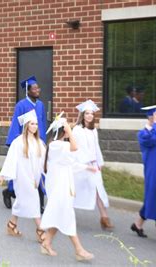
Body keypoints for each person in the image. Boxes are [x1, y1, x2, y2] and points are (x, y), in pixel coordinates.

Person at [39, 113, 95, 261]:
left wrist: (87, 168)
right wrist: (70, 130)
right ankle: (79, 250)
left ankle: (46, 243)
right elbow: (75, 147)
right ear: (62, 131)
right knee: (67, 217)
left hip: (63, 188)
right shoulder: (57, 145)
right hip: (60, 189)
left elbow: (72, 164)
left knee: (60, 217)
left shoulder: (59, 147)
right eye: (66, 129)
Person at [0, 109, 46, 243]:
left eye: (36, 124)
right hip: (22, 178)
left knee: (21, 202)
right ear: (26, 126)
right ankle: (40, 230)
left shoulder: (39, 143)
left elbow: (44, 161)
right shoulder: (18, 142)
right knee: (34, 202)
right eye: (32, 124)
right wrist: (3, 175)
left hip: (34, 178)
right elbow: (10, 160)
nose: (35, 126)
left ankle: (11, 225)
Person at [2, 76, 47, 212]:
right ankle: (9, 192)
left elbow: (43, 125)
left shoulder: (40, 105)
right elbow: (16, 124)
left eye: (37, 88)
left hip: (37, 143)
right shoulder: (21, 105)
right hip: (24, 143)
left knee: (38, 171)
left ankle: (39, 205)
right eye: (34, 88)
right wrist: (16, 142)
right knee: (20, 172)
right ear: (28, 91)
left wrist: (43, 142)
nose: (37, 90)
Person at [131, 105, 156, 243]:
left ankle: (137, 224)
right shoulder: (143, 134)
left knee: (153, 196)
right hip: (153, 170)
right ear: (151, 117)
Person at [72, 100, 112, 230]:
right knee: (75, 191)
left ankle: (104, 218)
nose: (89, 115)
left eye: (91, 113)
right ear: (82, 115)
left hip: (94, 165)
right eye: (87, 113)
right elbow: (75, 149)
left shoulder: (93, 130)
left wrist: (99, 162)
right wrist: (85, 163)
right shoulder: (77, 130)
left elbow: (96, 148)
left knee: (98, 190)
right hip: (82, 166)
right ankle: (65, 213)